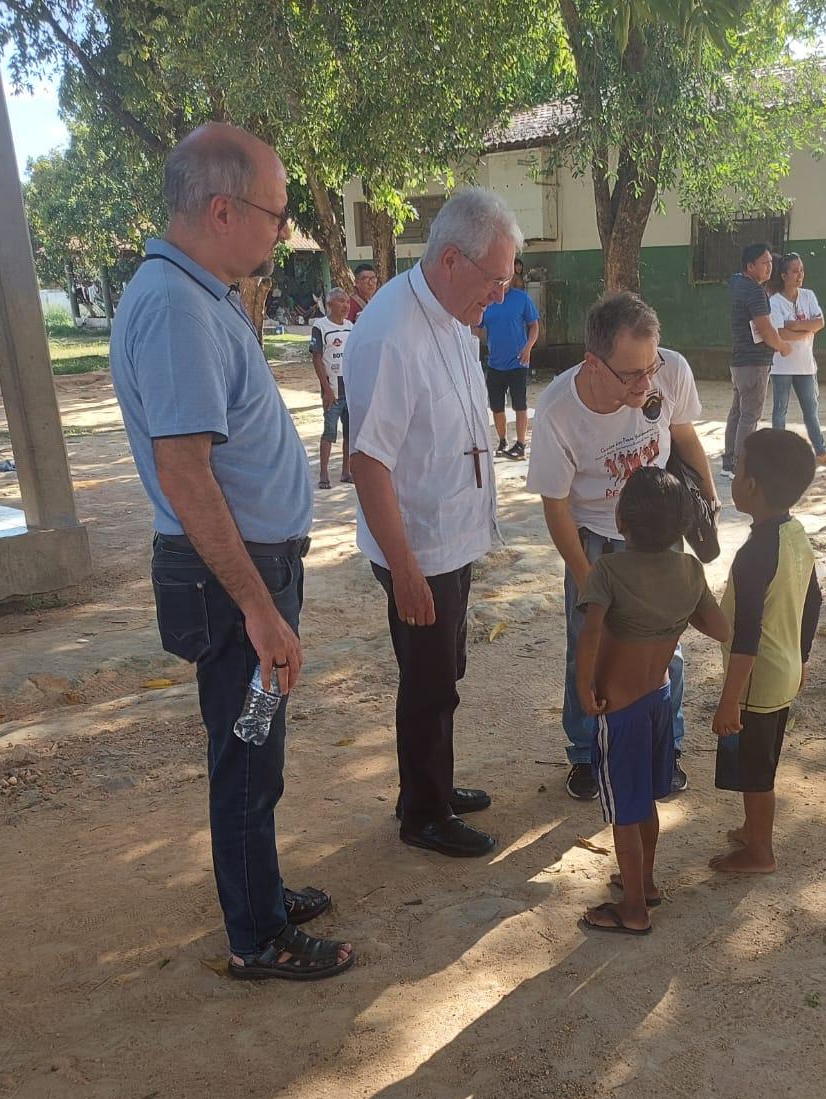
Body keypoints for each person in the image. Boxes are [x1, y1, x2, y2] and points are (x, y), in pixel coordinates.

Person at [109, 123, 353, 981]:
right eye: (276, 214)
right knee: (246, 758)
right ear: (222, 210)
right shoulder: (175, 307)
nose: (282, 232)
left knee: (258, 750)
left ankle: (262, 890)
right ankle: (255, 937)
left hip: (247, 571)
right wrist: (257, 607)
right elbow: (186, 472)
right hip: (231, 583)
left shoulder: (198, 292)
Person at [344, 188, 522, 858]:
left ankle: (434, 784)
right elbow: (368, 464)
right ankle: (423, 811)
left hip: (451, 537)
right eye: (495, 282)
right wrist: (407, 568)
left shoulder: (448, 312)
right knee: (427, 682)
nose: (499, 298)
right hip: (416, 544)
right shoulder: (392, 334)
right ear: (452, 259)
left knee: (445, 670)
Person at [527, 291, 718, 801]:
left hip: (658, 533)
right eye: (631, 374)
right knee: (585, 648)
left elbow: (685, 435)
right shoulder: (558, 412)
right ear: (593, 362)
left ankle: (665, 745)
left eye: (651, 367)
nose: (647, 383)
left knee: (667, 645)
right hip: (592, 534)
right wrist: (589, 580)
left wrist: (709, 502)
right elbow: (556, 506)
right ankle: (588, 754)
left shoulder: (669, 371)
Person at [575, 468, 729, 934]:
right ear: (681, 525)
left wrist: (584, 686)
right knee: (646, 801)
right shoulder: (689, 570)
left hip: (618, 709)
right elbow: (720, 628)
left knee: (625, 809)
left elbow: (591, 631)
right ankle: (646, 881)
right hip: (661, 698)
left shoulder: (609, 569)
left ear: (621, 520)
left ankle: (635, 909)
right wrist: (674, 617)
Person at [711, 427, 822, 875]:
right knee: (761, 759)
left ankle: (760, 851)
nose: (734, 477)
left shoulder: (755, 553)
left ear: (751, 486)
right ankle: (751, 829)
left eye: (737, 469)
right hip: (784, 669)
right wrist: (804, 658)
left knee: (756, 770)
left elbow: (747, 634)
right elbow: (813, 600)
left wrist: (729, 699)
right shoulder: (795, 535)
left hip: (756, 682)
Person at [722, 243, 791, 478]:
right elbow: (765, 328)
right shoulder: (754, 291)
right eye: (764, 263)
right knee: (749, 415)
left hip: (740, 361)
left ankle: (729, 462)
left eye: (771, 262)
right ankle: (741, 466)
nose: (769, 267)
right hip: (753, 363)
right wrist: (781, 346)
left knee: (738, 412)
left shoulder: (737, 283)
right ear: (750, 266)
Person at [769, 253, 826, 467]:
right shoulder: (774, 301)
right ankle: (778, 454)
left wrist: (795, 326)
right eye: (795, 271)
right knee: (780, 410)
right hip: (781, 366)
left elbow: (820, 322)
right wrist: (805, 329)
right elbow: (781, 333)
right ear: (783, 275)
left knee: (811, 409)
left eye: (801, 270)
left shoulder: (808, 296)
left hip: (806, 366)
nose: (800, 275)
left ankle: (821, 451)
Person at [479, 256, 539, 460]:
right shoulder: (487, 301)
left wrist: (528, 347)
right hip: (495, 362)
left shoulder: (522, 299)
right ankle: (503, 440)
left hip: (518, 362)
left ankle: (521, 444)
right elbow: (475, 328)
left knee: (520, 404)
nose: (501, 282)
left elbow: (534, 325)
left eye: (505, 277)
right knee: (496, 406)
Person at [309, 287, 353, 488]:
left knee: (350, 433)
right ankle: (324, 473)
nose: (345, 306)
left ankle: (347, 471)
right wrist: (326, 389)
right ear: (330, 304)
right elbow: (317, 358)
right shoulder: (321, 327)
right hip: (332, 390)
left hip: (350, 389)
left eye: (347, 302)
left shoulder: (350, 327)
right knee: (329, 432)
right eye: (341, 301)